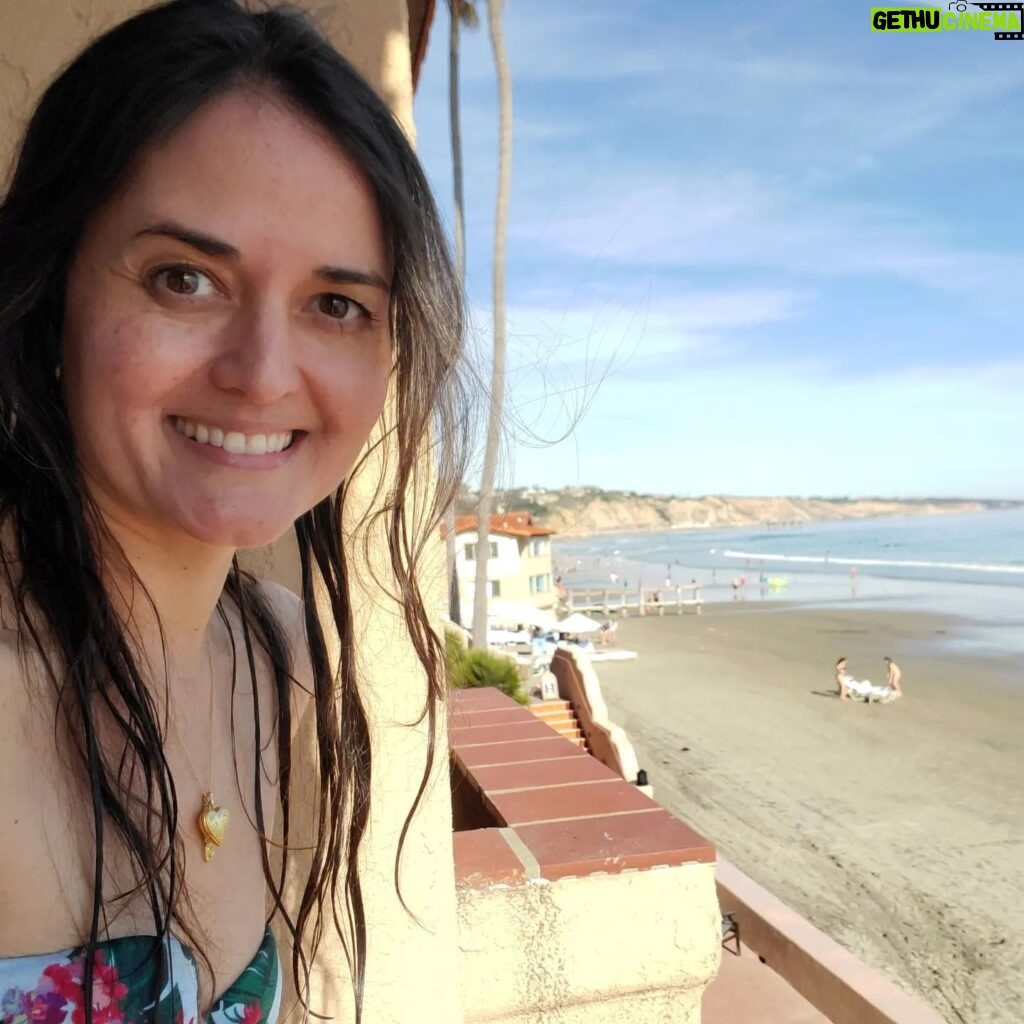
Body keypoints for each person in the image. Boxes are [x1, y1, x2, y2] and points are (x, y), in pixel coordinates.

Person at [0, 2, 467, 1022]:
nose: (260, 374)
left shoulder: (280, 664)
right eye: (185, 279)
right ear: (49, 298)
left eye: (335, 303)